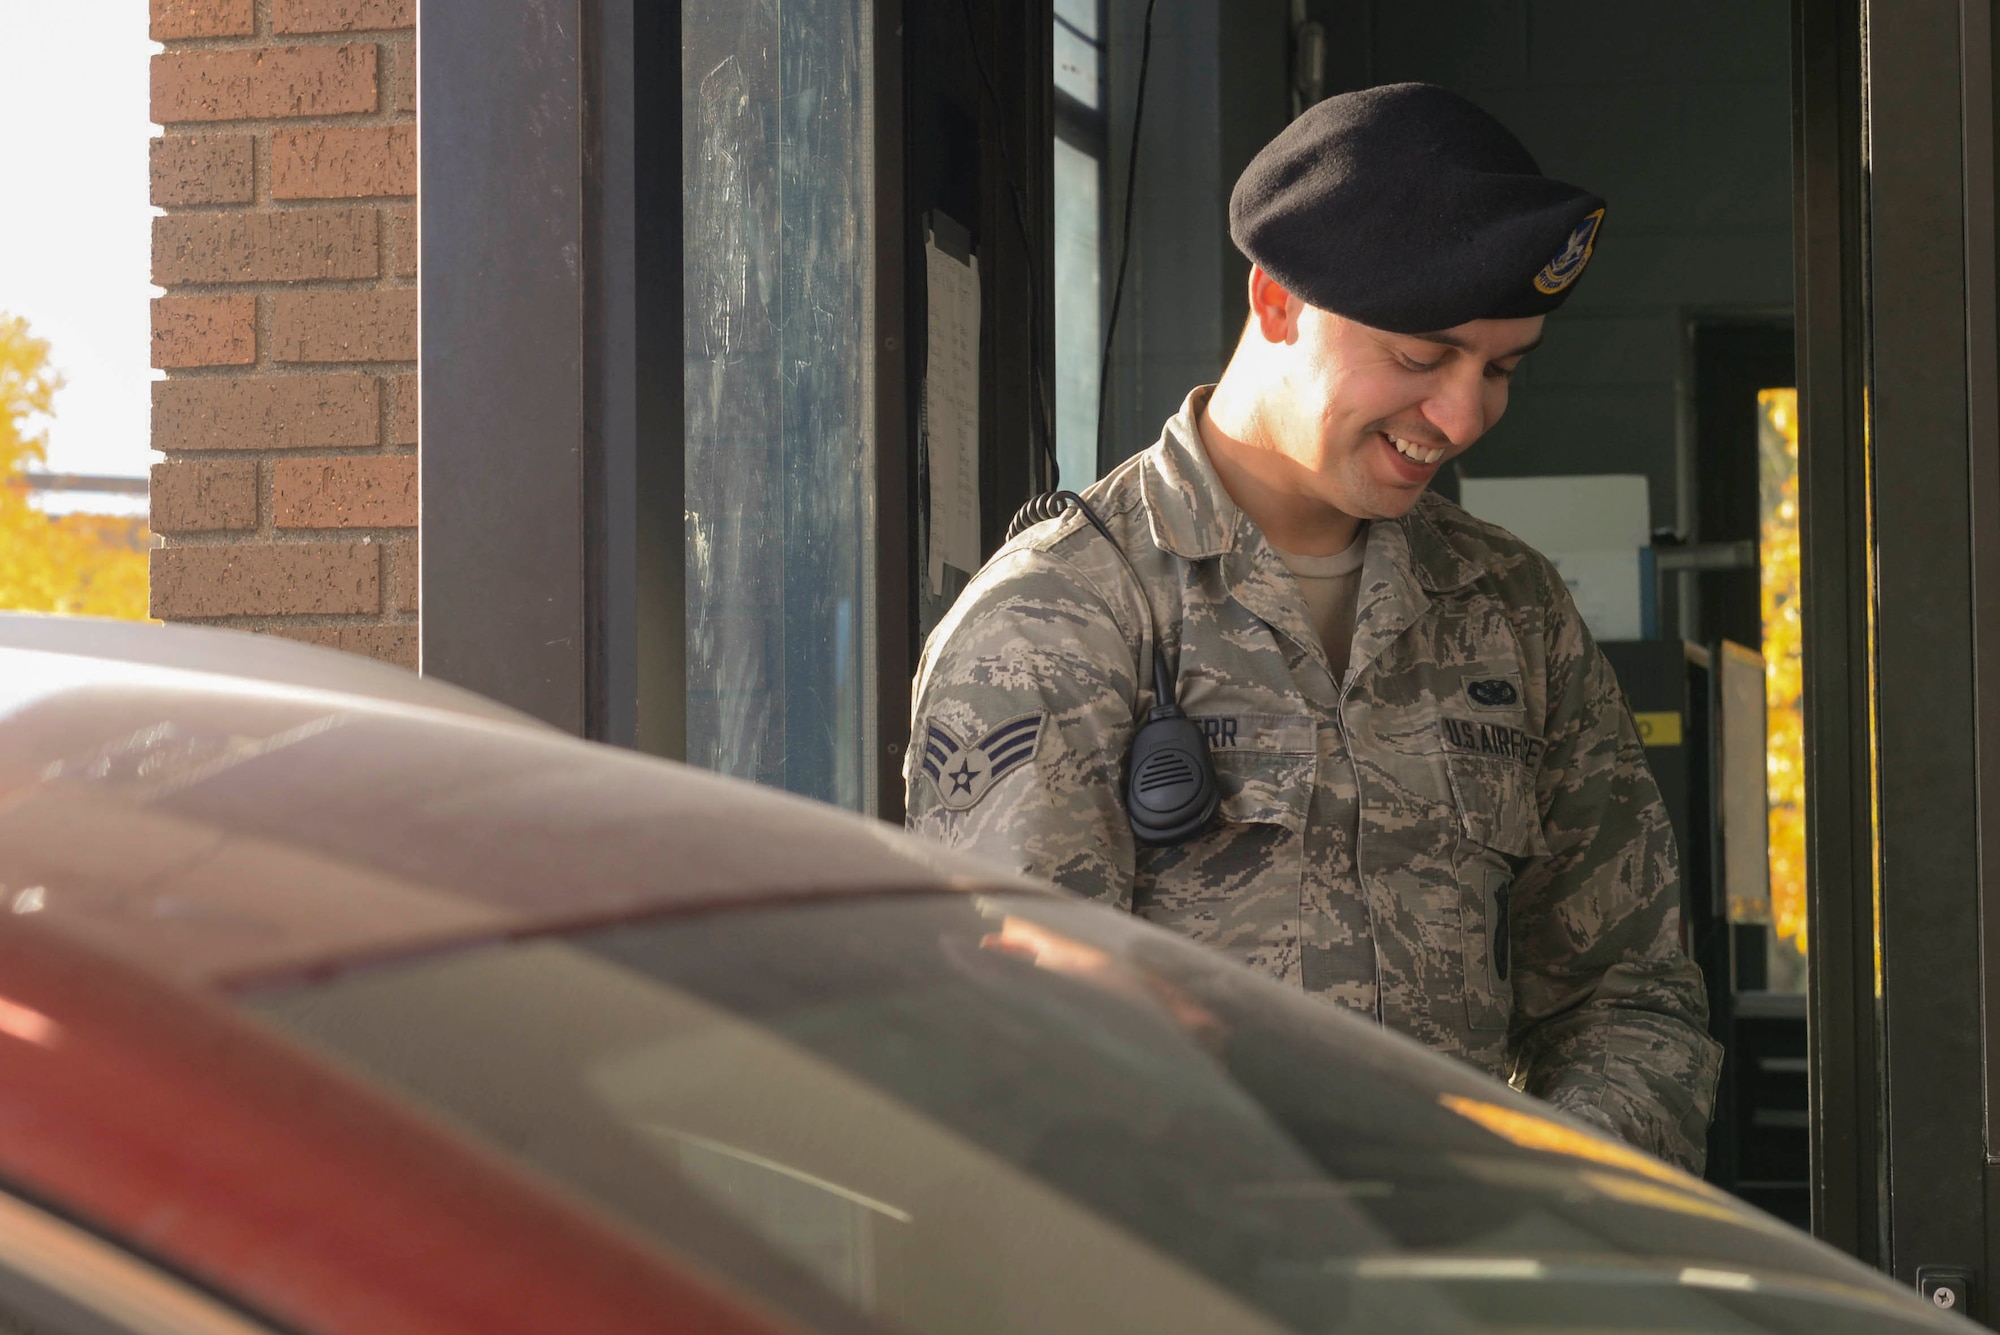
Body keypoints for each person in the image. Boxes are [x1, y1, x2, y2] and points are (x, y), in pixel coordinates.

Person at [904, 83, 1720, 1172]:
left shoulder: (1508, 612)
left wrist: (1533, 1199)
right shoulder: (1058, 616)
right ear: (1278, 303)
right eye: (1421, 358)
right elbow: (1000, 1048)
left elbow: (1633, 997)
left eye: (1501, 369)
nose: (1462, 417)